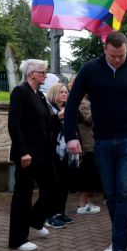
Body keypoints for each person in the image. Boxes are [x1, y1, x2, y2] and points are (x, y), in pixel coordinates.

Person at [63, 31, 127, 251]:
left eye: (122, 55)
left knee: (125, 191)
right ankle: (120, 239)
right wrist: (71, 136)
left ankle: (119, 249)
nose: (117, 60)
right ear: (105, 48)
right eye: (113, 55)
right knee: (112, 193)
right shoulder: (89, 69)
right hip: (102, 140)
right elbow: (72, 103)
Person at [8, 59, 62, 251]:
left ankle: (35, 220)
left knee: (54, 188)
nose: (45, 75)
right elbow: (14, 124)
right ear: (31, 73)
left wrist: (58, 118)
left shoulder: (39, 95)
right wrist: (23, 152)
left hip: (43, 154)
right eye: (42, 72)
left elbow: (44, 124)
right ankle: (17, 239)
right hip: (27, 155)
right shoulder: (20, 92)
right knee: (23, 195)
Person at [45, 83, 78, 225]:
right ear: (54, 93)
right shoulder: (49, 108)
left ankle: (60, 212)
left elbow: (80, 119)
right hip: (53, 151)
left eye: (66, 92)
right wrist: (58, 116)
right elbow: (46, 126)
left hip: (67, 152)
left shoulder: (67, 107)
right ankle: (50, 215)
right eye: (61, 92)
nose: (64, 94)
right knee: (54, 184)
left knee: (64, 183)